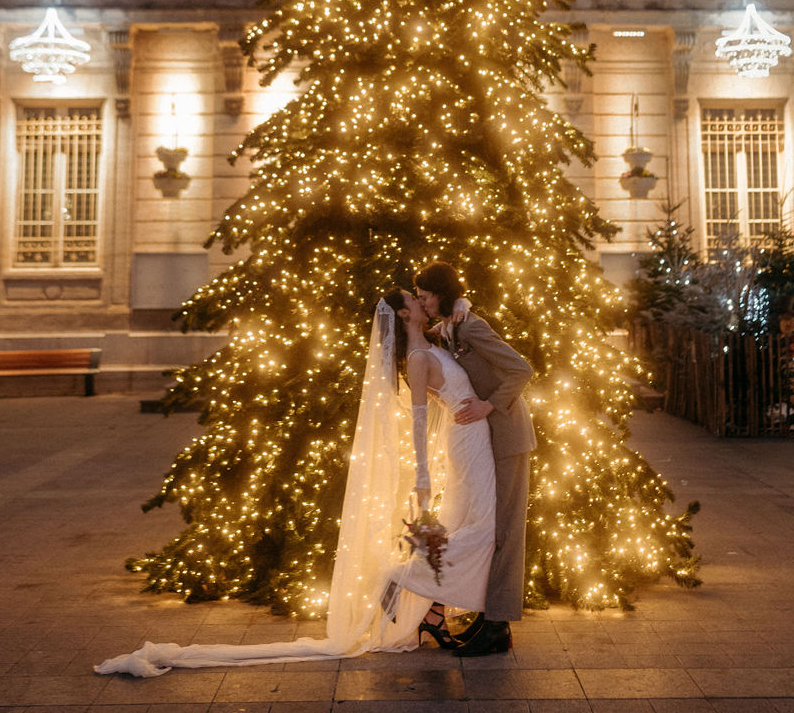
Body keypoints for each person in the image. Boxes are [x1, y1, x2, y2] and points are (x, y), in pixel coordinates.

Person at [94, 288, 496, 677]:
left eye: (422, 295)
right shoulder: (419, 355)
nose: (421, 300)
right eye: (413, 299)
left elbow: (457, 322)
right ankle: (400, 576)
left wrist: (462, 302)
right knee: (479, 528)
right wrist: (423, 474)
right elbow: (419, 419)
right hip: (467, 443)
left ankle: (433, 613)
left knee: (460, 526)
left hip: (469, 438)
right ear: (405, 314)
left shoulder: (434, 339)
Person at [415, 261, 535, 658]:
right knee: (491, 526)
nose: (422, 302)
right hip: (487, 440)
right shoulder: (454, 326)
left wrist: (489, 405)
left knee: (505, 529)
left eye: (426, 295)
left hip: (508, 436)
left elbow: (521, 368)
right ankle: (489, 618)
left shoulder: (470, 326)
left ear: (442, 294)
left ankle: (498, 626)